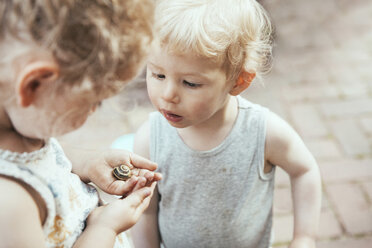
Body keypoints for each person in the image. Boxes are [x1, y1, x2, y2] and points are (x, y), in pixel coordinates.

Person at [130, 0, 322, 247]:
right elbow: (146, 212)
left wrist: (304, 238)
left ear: (238, 81)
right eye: (158, 75)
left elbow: (304, 170)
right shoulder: (150, 139)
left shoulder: (263, 132)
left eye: (190, 83)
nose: (168, 94)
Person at [0, 0, 162, 247]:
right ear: (33, 85)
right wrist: (105, 228)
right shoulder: (10, 206)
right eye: (93, 101)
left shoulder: (23, 122)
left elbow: (44, 156)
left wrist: (88, 163)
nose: (94, 110)